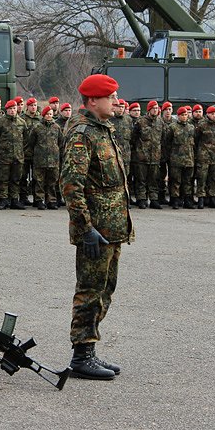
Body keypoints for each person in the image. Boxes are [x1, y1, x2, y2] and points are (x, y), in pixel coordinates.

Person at [60, 74, 133, 380]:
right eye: (111, 97)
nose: (117, 101)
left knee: (104, 290)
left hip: (111, 226)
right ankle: (81, 356)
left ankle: (90, 350)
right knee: (90, 290)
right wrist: (85, 227)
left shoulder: (103, 129)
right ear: (93, 101)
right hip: (96, 229)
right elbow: (71, 184)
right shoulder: (82, 133)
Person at [0, 99, 26, 210]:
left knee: (16, 179)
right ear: (6, 110)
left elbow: (26, 139)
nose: (12, 111)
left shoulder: (22, 122)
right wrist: (1, 150)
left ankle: (14, 200)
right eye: (10, 109)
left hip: (18, 155)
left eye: (14, 108)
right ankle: (3, 200)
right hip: (4, 156)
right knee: (3, 179)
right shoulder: (0, 122)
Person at [27, 105, 62, 209]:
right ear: (43, 115)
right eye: (47, 114)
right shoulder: (37, 127)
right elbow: (31, 142)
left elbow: (61, 141)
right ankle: (39, 200)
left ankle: (51, 200)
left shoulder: (56, 127)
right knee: (39, 181)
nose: (49, 116)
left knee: (52, 181)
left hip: (53, 160)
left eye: (50, 114)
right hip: (40, 159)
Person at [131, 100, 164, 209]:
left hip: (155, 156)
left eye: (157, 108)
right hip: (141, 156)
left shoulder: (160, 122)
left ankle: (154, 199)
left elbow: (163, 138)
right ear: (149, 109)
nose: (155, 110)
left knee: (154, 179)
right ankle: (142, 199)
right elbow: (134, 138)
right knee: (141, 179)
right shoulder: (140, 122)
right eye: (153, 108)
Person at [165, 106, 196, 209]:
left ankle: (187, 200)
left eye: (186, 115)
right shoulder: (172, 127)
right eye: (182, 115)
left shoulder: (191, 127)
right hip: (176, 159)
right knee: (176, 181)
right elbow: (167, 142)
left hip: (189, 158)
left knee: (187, 181)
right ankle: (175, 200)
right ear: (178, 116)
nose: (184, 117)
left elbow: (194, 142)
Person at [194, 106, 215, 209]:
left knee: (214, 178)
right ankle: (201, 198)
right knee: (202, 178)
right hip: (204, 156)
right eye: (212, 114)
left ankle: (212, 197)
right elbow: (195, 139)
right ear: (208, 114)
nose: (214, 116)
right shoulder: (201, 125)